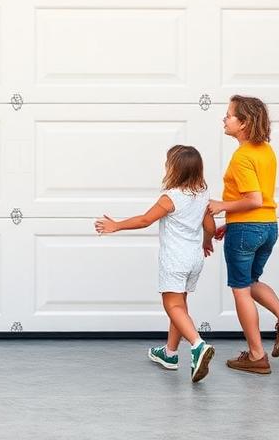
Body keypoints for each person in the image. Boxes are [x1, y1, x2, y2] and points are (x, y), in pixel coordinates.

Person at [95, 145, 217, 383]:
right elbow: (210, 227)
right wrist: (206, 242)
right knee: (180, 305)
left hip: (175, 259)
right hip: (194, 259)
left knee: (172, 305)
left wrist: (116, 225)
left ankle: (198, 344)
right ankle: (170, 354)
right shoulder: (203, 193)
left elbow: (144, 220)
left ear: (174, 169)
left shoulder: (170, 197)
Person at [208, 95, 279, 375]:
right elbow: (260, 201)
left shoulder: (242, 156)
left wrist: (222, 206)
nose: (224, 120)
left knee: (240, 290)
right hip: (268, 227)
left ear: (244, 123)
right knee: (250, 281)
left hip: (247, 228)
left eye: (229, 115)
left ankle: (256, 354)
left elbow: (253, 199)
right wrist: (232, 219)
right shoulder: (266, 151)